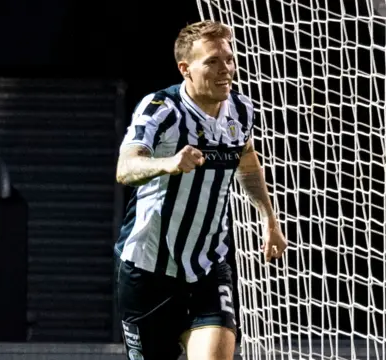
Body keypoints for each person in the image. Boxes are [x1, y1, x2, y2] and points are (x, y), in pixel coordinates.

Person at [114, 19, 287, 360]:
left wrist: (269, 217)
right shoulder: (161, 111)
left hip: (208, 267)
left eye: (229, 59)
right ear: (186, 69)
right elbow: (125, 169)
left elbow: (246, 160)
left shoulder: (241, 109)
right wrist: (168, 164)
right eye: (212, 61)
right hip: (147, 272)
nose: (226, 70)